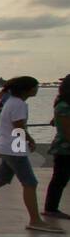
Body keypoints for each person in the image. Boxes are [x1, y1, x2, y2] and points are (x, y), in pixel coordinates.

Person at [0, 77, 63, 232]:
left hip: (8, 147)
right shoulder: (19, 104)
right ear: (26, 89)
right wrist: (29, 140)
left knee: (0, 180)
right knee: (30, 183)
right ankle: (35, 220)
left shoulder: (12, 102)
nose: (37, 89)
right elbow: (19, 126)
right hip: (14, 149)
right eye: (35, 86)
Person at [43, 74, 70, 220]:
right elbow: (67, 132)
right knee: (60, 179)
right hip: (64, 149)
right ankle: (51, 208)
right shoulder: (64, 106)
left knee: (61, 178)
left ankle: (51, 208)